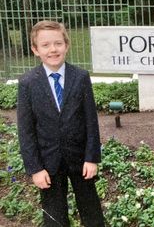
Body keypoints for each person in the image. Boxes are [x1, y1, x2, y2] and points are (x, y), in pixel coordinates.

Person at [17, 20, 105, 227]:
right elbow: (26, 130)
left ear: (66, 45)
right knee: (54, 217)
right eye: (45, 45)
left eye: (58, 43)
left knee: (92, 213)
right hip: (48, 164)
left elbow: (91, 121)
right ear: (35, 50)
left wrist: (92, 158)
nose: (53, 49)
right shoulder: (28, 83)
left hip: (81, 160)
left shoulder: (81, 77)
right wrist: (35, 168)